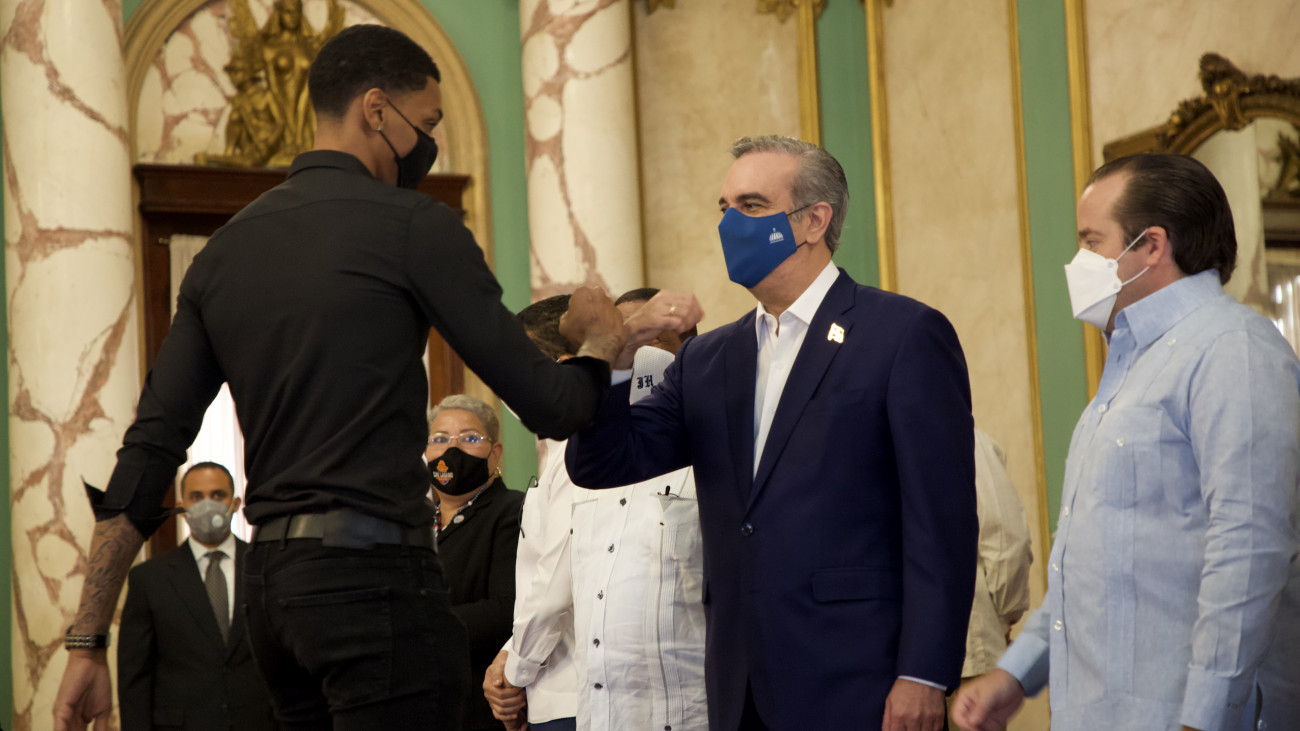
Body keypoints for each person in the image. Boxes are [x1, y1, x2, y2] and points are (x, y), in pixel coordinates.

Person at [53, 24, 702, 731]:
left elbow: (149, 449)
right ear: (375, 109)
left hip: (270, 593)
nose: (430, 144)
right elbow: (554, 406)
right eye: (428, 122)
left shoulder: (223, 251)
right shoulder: (413, 225)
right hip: (372, 579)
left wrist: (86, 640)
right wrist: (600, 341)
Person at [565, 135, 979, 731]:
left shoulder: (902, 333)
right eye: (724, 207)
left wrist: (925, 673)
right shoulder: (708, 358)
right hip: (741, 686)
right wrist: (618, 351)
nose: (730, 224)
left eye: (752, 206)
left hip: (859, 677)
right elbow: (603, 463)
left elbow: (941, 522)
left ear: (814, 221)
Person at [952, 153, 1300, 731]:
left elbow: (1249, 549)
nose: (1079, 261)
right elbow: (1091, 566)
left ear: (1152, 245)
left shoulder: (1231, 349)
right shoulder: (1129, 368)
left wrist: (1204, 718)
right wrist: (1014, 674)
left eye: (1092, 241)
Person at [485, 288, 709, 731]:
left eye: (650, 338)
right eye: (624, 340)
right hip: (597, 699)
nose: (636, 353)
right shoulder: (585, 457)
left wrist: (516, 666)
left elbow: (554, 588)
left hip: (678, 699)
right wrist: (513, 657)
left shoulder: (702, 445)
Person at [117, 462, 277, 731]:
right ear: (182, 508)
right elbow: (135, 676)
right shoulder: (149, 579)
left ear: (235, 504)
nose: (207, 505)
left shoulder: (265, 566)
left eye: (218, 495)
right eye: (197, 497)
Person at [425, 395, 525, 731]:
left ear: (495, 452)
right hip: (423, 699)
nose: (451, 449)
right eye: (440, 439)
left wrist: (418, 625)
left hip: (483, 703)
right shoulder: (415, 522)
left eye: (469, 438)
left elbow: (506, 608)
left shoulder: (513, 511)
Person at [948, 429, 1032, 730]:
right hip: (963, 647)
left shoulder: (963, 437)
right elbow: (1007, 541)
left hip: (970, 652)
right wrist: (1006, 617)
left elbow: (1006, 542)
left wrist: (1005, 616)